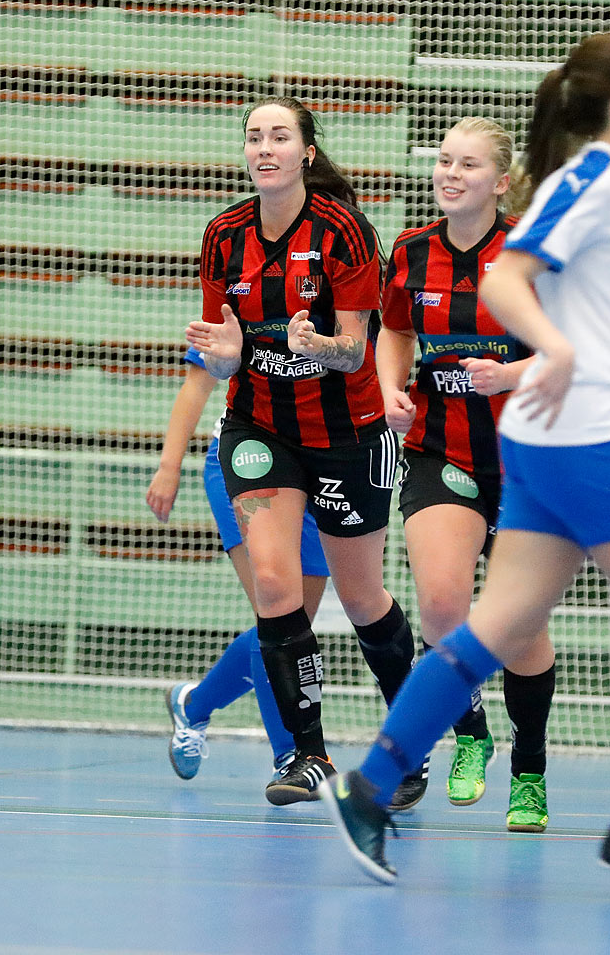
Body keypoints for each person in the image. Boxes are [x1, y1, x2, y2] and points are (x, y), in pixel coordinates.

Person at [323, 32, 610, 884]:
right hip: (586, 435)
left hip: (554, 438)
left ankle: (370, 788)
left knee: (492, 628)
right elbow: (505, 281)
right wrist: (552, 351)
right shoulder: (592, 180)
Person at [186, 96, 421, 807]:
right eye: (254, 137)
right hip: (260, 431)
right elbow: (222, 357)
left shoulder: (344, 230)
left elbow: (359, 347)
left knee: (361, 599)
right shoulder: (223, 236)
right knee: (277, 588)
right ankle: (307, 755)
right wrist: (227, 358)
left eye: (279, 136)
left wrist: (323, 347)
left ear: (305, 154)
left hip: (347, 435)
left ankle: (408, 747)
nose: (265, 147)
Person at [376, 117, 558, 831]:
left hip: (524, 458)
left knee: (519, 626)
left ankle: (532, 770)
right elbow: (394, 328)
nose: (451, 173)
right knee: (444, 606)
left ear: (501, 181)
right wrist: (391, 386)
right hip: (438, 449)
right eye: (444, 159)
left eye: (469, 164)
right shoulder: (412, 251)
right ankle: (471, 734)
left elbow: (573, 348)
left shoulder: (529, 255)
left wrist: (507, 373)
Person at [147, 346, 329, 779]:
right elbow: (197, 385)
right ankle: (291, 753)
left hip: (323, 466)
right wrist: (169, 467)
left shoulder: (349, 302)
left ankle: (193, 705)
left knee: (294, 623)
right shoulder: (241, 291)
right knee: (278, 616)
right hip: (248, 462)